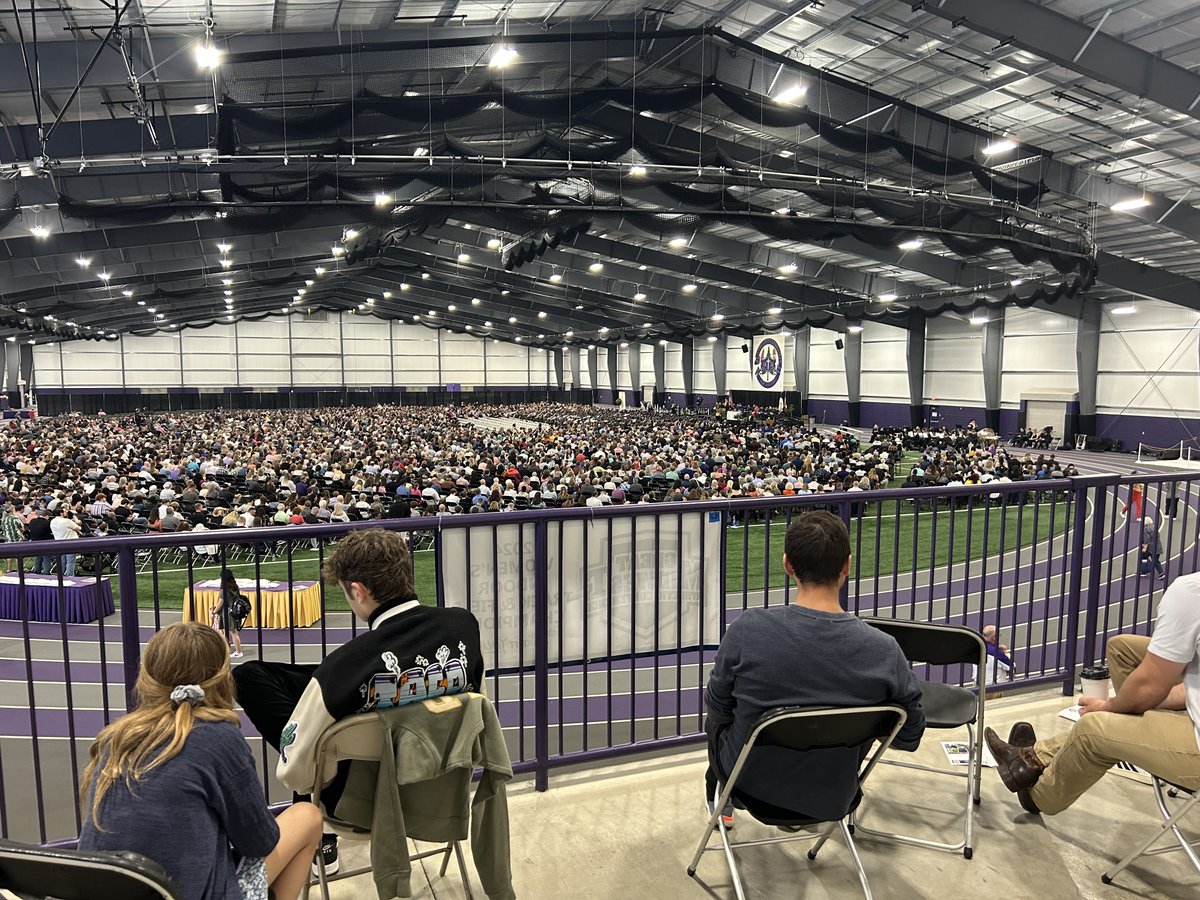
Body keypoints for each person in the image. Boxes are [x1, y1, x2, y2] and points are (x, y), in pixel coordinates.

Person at [233, 528, 485, 877]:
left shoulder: (345, 666)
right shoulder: (464, 625)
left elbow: (298, 775)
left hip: (361, 800)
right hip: (442, 779)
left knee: (256, 685)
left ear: (358, 590)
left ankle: (320, 838)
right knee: (268, 677)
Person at [703, 511, 926, 826]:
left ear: (787, 565)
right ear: (847, 565)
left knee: (716, 723)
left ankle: (720, 802)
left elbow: (718, 707)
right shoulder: (884, 651)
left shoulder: (747, 630)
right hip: (835, 796)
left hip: (749, 786)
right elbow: (910, 736)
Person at [77, 622, 323, 900]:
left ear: (146, 676)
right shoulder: (219, 737)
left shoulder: (116, 738)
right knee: (308, 816)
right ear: (222, 678)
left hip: (115, 888)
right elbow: (260, 841)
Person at [984, 571, 1200, 816]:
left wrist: (1109, 708)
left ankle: (1036, 789)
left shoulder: (1191, 591)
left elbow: (1150, 685)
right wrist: (1128, 705)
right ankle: (1129, 727)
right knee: (1123, 649)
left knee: (1092, 729)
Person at [211, 569, 251, 659]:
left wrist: (214, 612)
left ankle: (238, 652)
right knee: (231, 632)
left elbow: (220, 603)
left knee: (232, 633)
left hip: (228, 614)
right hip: (233, 611)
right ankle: (229, 649)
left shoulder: (223, 590)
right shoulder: (234, 587)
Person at [50, 506, 82, 577]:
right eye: (64, 511)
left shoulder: (52, 521)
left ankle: (61, 576)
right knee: (70, 561)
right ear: (61, 513)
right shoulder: (66, 521)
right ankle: (70, 576)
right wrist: (76, 521)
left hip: (59, 542)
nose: (66, 512)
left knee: (62, 561)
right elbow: (78, 528)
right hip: (70, 543)